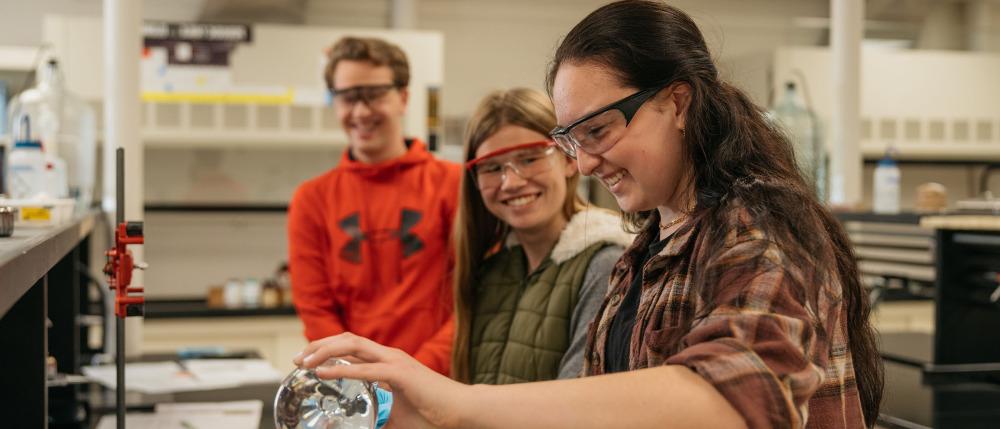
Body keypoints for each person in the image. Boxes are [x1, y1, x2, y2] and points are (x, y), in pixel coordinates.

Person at [294, 2, 884, 428]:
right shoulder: (648, 246)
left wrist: (460, 404)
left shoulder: (758, 228)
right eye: (572, 141)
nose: (582, 166)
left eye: (597, 131)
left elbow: (736, 400)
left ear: (677, 102)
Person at [287, 36, 461, 375]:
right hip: (354, 389)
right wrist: (364, 380)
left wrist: (412, 376)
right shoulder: (311, 200)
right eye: (348, 97)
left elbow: (473, 297)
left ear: (404, 98)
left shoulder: (454, 185)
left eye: (375, 94)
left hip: (441, 383)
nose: (362, 111)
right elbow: (316, 310)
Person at [452, 88, 632, 384]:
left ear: (569, 158)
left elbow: (577, 403)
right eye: (493, 168)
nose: (511, 182)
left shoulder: (606, 264)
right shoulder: (490, 273)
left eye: (529, 159)